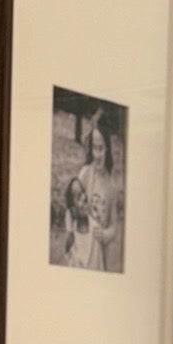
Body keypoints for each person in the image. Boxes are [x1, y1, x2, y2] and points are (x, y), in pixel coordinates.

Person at [76, 110, 122, 271]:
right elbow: (73, 207)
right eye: (94, 148)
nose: (97, 155)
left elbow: (114, 227)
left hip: (100, 255)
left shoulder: (112, 186)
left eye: (101, 148)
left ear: (107, 150)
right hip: (84, 250)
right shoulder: (85, 174)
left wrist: (106, 234)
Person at [60, 175, 95, 269]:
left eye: (83, 191)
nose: (84, 197)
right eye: (78, 196)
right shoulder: (73, 241)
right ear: (73, 209)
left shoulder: (95, 224)